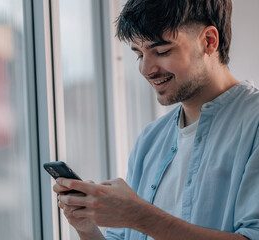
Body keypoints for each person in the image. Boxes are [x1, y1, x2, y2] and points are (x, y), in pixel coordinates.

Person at [53, 0, 259, 239]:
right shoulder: (151, 139)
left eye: (162, 52)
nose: (146, 69)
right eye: (139, 54)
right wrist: (86, 227)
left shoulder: (253, 123)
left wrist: (140, 216)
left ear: (209, 41)